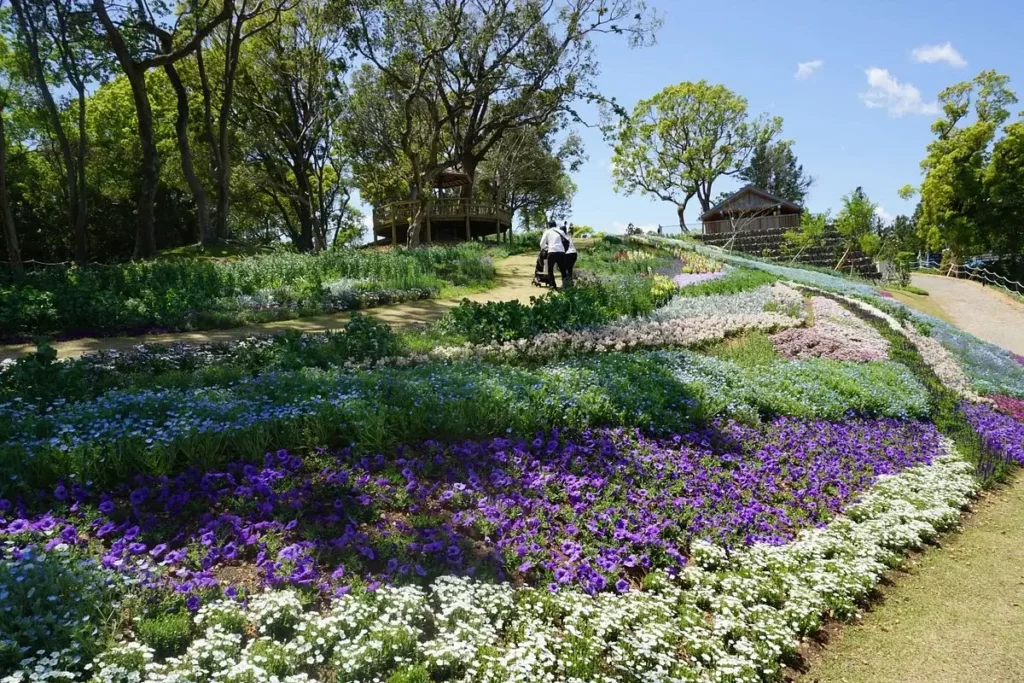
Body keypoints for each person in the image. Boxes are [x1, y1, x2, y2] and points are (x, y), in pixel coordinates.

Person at [540, 220, 577, 288]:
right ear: (555, 225)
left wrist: (546, 248)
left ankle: (553, 286)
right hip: (561, 252)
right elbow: (567, 241)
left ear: (549, 226)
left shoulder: (547, 232)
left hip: (552, 252)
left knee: (550, 270)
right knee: (563, 270)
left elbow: (542, 244)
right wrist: (564, 249)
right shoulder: (561, 231)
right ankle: (566, 286)